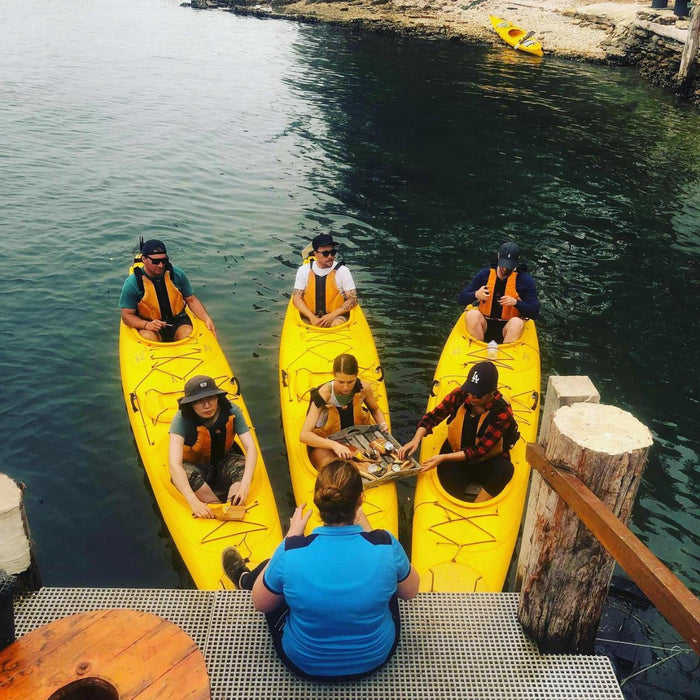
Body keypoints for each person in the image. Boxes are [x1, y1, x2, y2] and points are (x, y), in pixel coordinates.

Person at [221, 460, 419, 681]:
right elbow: (410, 592)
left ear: (319, 504)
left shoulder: (292, 552)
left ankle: (244, 579)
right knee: (391, 579)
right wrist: (368, 529)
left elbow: (260, 604)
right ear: (360, 500)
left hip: (305, 663)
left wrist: (290, 537)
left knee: (275, 574)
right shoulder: (385, 545)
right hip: (375, 657)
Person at [398, 361, 518, 503]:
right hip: (458, 456)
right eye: (470, 392)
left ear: (491, 393)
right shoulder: (460, 394)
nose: (471, 397)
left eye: (477, 395)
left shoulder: (502, 412)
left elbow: (480, 450)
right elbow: (433, 417)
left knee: (505, 470)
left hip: (486, 461)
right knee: (448, 482)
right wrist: (416, 439)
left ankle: (477, 505)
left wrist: (443, 457)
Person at [168, 375, 256, 518]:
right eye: (199, 401)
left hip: (223, 461)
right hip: (196, 466)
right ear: (191, 404)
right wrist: (193, 502)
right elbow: (174, 465)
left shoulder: (232, 411)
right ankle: (215, 504)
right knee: (185, 473)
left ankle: (233, 504)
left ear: (217, 398)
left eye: (211, 399)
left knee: (244, 465)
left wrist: (245, 485)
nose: (207, 406)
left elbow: (251, 449)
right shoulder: (181, 419)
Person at [300, 353, 387, 470]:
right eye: (341, 382)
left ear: (356, 375)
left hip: (356, 438)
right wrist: (334, 445)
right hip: (328, 444)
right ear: (334, 375)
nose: (346, 387)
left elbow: (375, 410)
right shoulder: (323, 394)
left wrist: (383, 424)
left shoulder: (364, 389)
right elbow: (304, 435)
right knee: (333, 469)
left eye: (350, 382)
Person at [119, 238, 216, 342]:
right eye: (155, 262)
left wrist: (206, 318)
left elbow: (191, 300)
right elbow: (126, 316)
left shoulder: (177, 274)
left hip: (177, 320)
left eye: (164, 260)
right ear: (144, 259)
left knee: (187, 333)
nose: (161, 265)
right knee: (148, 337)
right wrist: (146, 325)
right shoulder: (132, 283)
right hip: (148, 324)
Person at [457, 241, 539, 344]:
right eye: (503, 264)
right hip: (484, 324)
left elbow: (534, 312)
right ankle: (477, 346)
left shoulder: (525, 280)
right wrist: (476, 294)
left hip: (508, 328)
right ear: (499, 256)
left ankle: (506, 353)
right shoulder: (484, 274)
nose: (505, 269)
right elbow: (461, 298)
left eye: (509, 266)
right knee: (472, 315)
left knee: (517, 323)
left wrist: (516, 303)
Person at [292, 233, 357, 327]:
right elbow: (297, 298)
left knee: (336, 324)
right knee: (305, 326)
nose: (330, 256)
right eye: (325, 253)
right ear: (315, 254)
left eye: (333, 252)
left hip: (336, 316)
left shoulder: (343, 271)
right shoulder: (303, 270)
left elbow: (353, 299)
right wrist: (311, 317)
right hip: (310, 315)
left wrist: (331, 316)